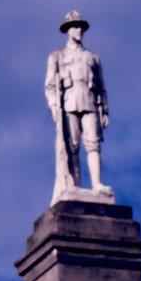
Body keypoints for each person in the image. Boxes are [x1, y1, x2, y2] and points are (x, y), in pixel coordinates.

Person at [45, 11, 111, 202]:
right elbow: (50, 85)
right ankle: (74, 185)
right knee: (71, 146)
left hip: (90, 102)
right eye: (75, 26)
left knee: (93, 145)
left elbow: (102, 87)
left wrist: (104, 110)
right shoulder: (57, 56)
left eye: (81, 26)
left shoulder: (93, 57)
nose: (79, 29)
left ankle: (97, 184)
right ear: (67, 30)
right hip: (69, 104)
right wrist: (54, 105)